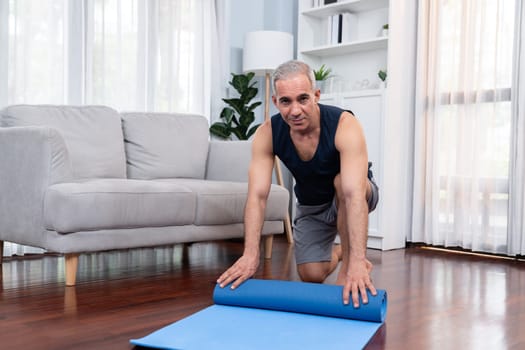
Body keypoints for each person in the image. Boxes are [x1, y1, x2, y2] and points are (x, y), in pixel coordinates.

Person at [217, 60, 379, 308]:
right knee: (311, 274)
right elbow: (257, 196)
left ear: (316, 95)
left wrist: (356, 260)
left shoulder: (344, 125)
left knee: (342, 183)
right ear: (275, 102)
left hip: (353, 194)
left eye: (303, 99)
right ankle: (339, 253)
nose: (294, 110)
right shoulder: (268, 132)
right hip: (312, 205)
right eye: (286, 101)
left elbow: (354, 193)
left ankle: (350, 263)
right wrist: (250, 255)